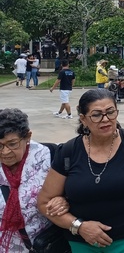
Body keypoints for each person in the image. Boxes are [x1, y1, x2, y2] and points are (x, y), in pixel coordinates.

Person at [37, 89, 124, 252]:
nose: (106, 120)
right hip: (82, 244)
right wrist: (79, 226)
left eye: (110, 112)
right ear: (83, 119)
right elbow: (44, 202)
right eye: (96, 115)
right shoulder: (68, 152)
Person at [0, 108, 69, 252]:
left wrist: (64, 199)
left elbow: (76, 188)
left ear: (28, 137)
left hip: (43, 245)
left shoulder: (50, 156)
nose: (5, 152)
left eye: (12, 144)